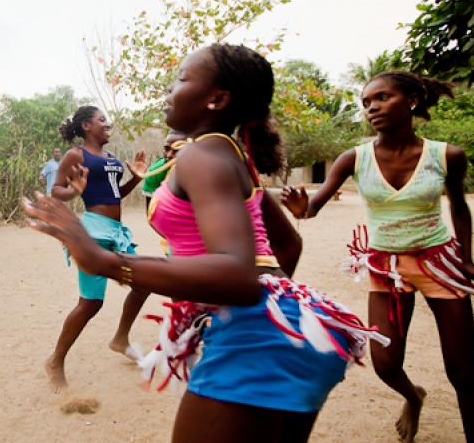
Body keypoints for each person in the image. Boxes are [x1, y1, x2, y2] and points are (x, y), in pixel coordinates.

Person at [23, 44, 385, 442]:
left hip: (257, 337)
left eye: (180, 80)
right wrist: (267, 311)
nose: (168, 92)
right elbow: (287, 249)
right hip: (296, 325)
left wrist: (104, 260)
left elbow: (237, 275)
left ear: (216, 99)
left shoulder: (201, 158)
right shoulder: (231, 156)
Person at [282, 70, 474, 443]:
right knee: (385, 364)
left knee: (465, 373)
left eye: (382, 98)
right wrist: (301, 208)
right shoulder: (354, 158)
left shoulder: (446, 155)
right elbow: (313, 208)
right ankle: (413, 396)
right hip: (387, 268)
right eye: (367, 102)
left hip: (439, 264)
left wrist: (465, 259)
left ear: (412, 101)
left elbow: (459, 207)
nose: (372, 107)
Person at [43, 105, 148, 391]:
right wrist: (75, 190)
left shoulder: (112, 159)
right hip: (93, 232)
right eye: (102, 120)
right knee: (91, 302)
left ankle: (120, 339)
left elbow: (117, 195)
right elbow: (57, 191)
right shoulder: (76, 154)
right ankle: (55, 361)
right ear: (87, 126)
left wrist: (137, 178)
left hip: (117, 233)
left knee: (143, 283)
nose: (107, 123)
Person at [141, 131, 186, 211]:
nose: (169, 155)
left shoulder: (205, 170)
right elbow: (152, 217)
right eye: (167, 149)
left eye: (177, 150)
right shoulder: (154, 173)